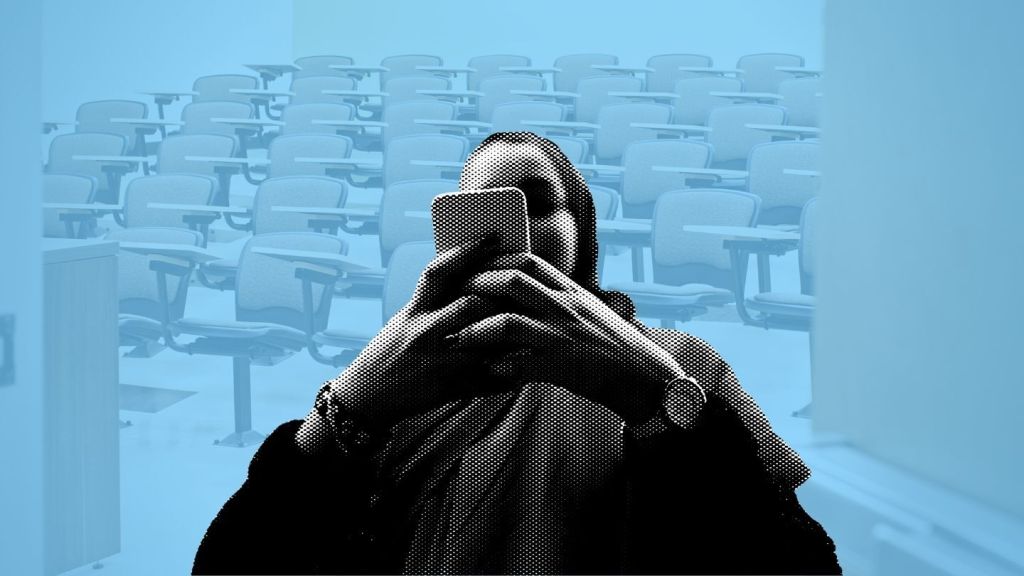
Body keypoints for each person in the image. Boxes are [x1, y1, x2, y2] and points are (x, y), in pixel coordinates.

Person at [192, 132, 841, 575]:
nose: (516, 229)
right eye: (482, 211)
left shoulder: (680, 363)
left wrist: (657, 397)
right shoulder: (400, 383)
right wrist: (352, 402)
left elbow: (802, 561)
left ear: (581, 228)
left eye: (539, 202)